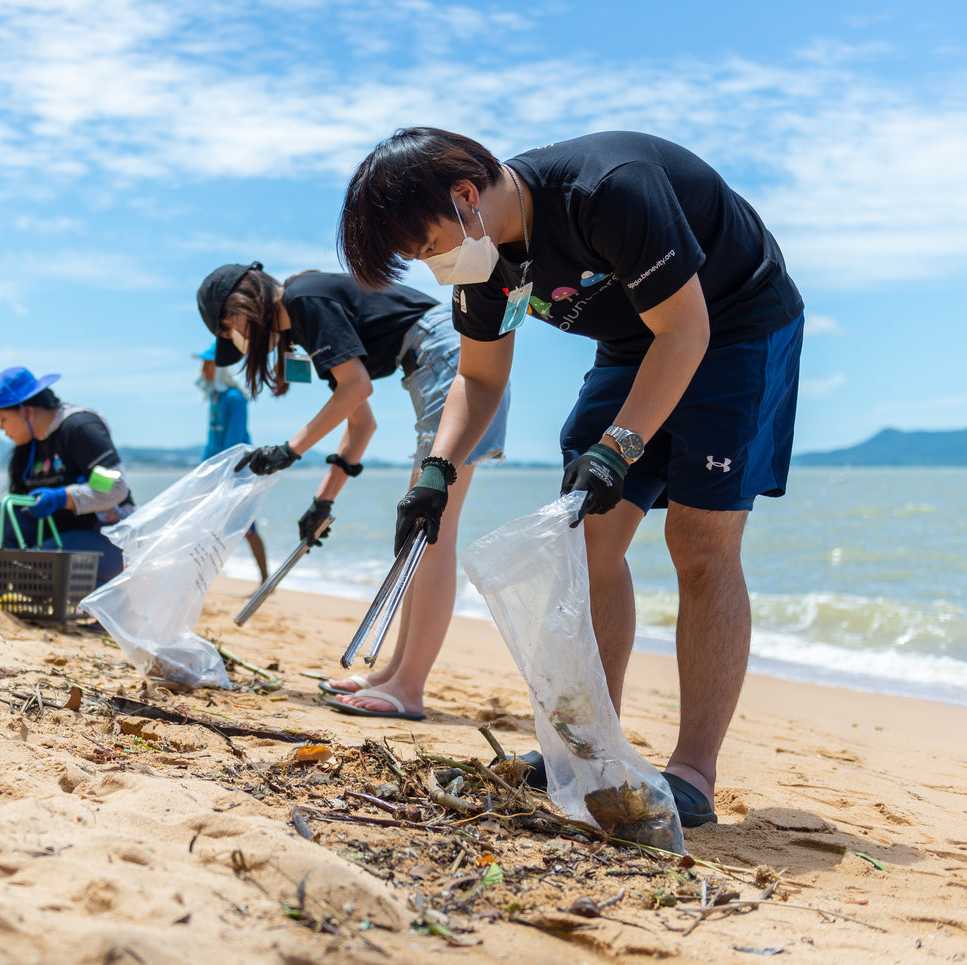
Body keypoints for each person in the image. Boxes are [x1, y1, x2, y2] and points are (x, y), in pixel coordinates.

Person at [338, 128, 806, 826]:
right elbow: (477, 376)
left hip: (735, 326)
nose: (433, 266)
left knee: (700, 546)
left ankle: (692, 773)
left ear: (466, 198)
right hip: (630, 347)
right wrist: (434, 472)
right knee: (583, 540)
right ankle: (592, 745)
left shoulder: (606, 190)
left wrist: (620, 443)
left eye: (427, 246)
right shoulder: (483, 260)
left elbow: (685, 331)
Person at [196, 262, 509, 721]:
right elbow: (361, 421)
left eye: (229, 327)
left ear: (241, 304)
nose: (237, 339)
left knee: (430, 533)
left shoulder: (303, 299)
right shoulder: (303, 315)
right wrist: (323, 501)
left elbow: (355, 385)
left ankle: (409, 686)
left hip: (449, 357)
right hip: (438, 358)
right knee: (417, 537)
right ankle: (396, 673)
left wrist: (289, 449)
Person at [0, 367, 132, 586]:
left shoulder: (79, 427)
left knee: (45, 559)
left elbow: (115, 488)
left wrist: (61, 497)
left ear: (27, 411)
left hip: (107, 537)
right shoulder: (30, 444)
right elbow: (19, 504)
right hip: (58, 534)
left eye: (2, 418)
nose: (1, 428)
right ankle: (37, 596)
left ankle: (98, 597)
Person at [197, 345, 267, 581]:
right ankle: (203, 575)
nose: (203, 369)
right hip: (216, 473)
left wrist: (224, 477)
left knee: (248, 527)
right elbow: (212, 441)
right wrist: (203, 471)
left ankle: (265, 579)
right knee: (210, 525)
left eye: (208, 364)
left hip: (237, 473)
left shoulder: (236, 399)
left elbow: (234, 443)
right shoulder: (215, 397)